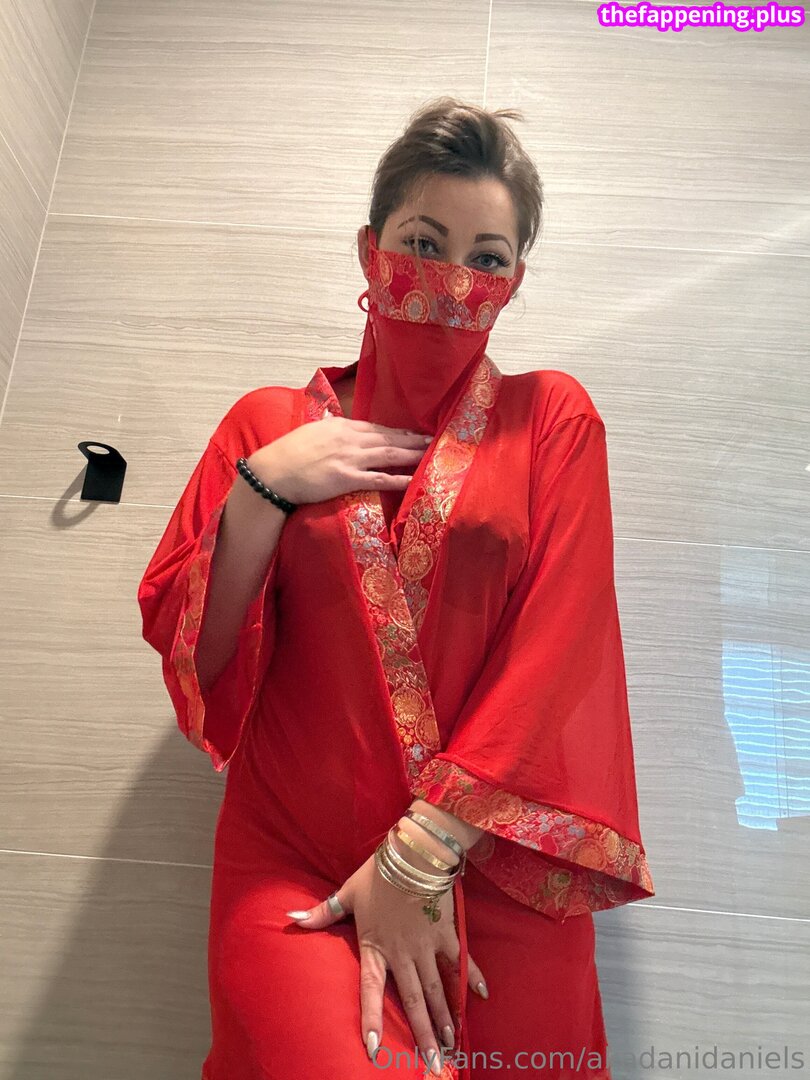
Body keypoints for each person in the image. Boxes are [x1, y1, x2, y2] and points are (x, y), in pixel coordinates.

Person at [137, 97, 655, 1080]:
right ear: (370, 250)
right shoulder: (268, 426)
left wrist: (420, 856)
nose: (453, 281)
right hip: (298, 857)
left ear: (514, 281)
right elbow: (200, 655)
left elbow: (562, 649)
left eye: (487, 258)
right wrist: (264, 490)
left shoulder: (551, 420)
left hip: (489, 864)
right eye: (423, 243)